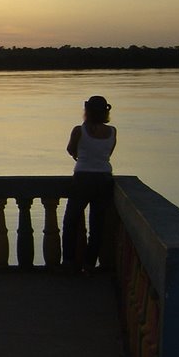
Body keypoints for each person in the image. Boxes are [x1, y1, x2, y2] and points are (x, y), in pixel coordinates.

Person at [62, 95, 117, 272]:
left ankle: (69, 262)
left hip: (83, 178)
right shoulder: (112, 132)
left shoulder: (79, 130)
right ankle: (89, 264)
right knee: (97, 225)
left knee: (70, 221)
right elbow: (108, 153)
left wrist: (80, 154)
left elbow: (71, 149)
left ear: (87, 111)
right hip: (104, 179)